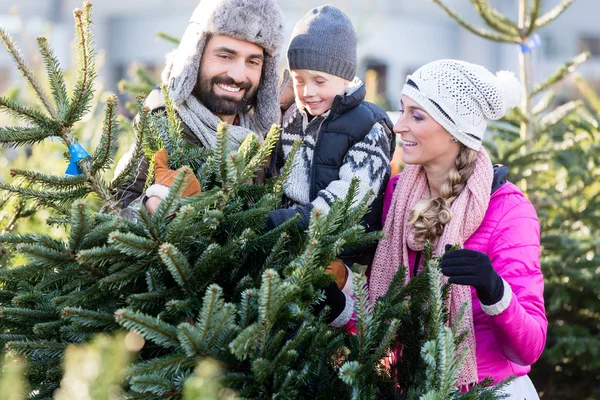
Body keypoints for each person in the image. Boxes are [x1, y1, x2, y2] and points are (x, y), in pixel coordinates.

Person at [363, 59, 547, 397]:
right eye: (402, 111)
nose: (399, 125)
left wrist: (495, 290)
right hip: (414, 386)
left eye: (416, 116)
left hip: (489, 390)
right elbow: (382, 306)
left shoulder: (509, 210)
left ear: (454, 129)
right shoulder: (396, 194)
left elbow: (529, 348)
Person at [264, 6, 395, 307]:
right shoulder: (289, 116)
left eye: (319, 81)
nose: (307, 91)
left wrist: (282, 223)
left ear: (345, 77)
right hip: (283, 245)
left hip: (337, 256)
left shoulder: (369, 128)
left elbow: (350, 198)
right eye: (298, 79)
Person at [114, 0, 284, 217]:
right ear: (194, 58)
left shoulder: (262, 138)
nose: (239, 75)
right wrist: (149, 208)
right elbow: (110, 217)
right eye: (225, 56)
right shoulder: (162, 127)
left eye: (253, 62)